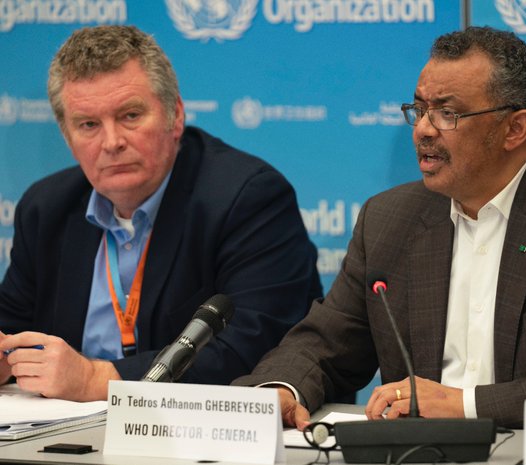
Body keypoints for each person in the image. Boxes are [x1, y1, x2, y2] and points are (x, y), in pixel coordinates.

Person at [233, 26, 526, 429]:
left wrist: (467, 405)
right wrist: (281, 389)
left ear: (515, 128)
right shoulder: (389, 219)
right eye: (419, 109)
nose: (423, 129)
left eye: (447, 113)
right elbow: (325, 344)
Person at [0, 25, 322, 401]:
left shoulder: (246, 198)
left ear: (175, 116)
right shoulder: (46, 208)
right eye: (88, 125)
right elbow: (11, 327)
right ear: (67, 138)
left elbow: (257, 349)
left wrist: (97, 380)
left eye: (130, 115)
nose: (112, 142)